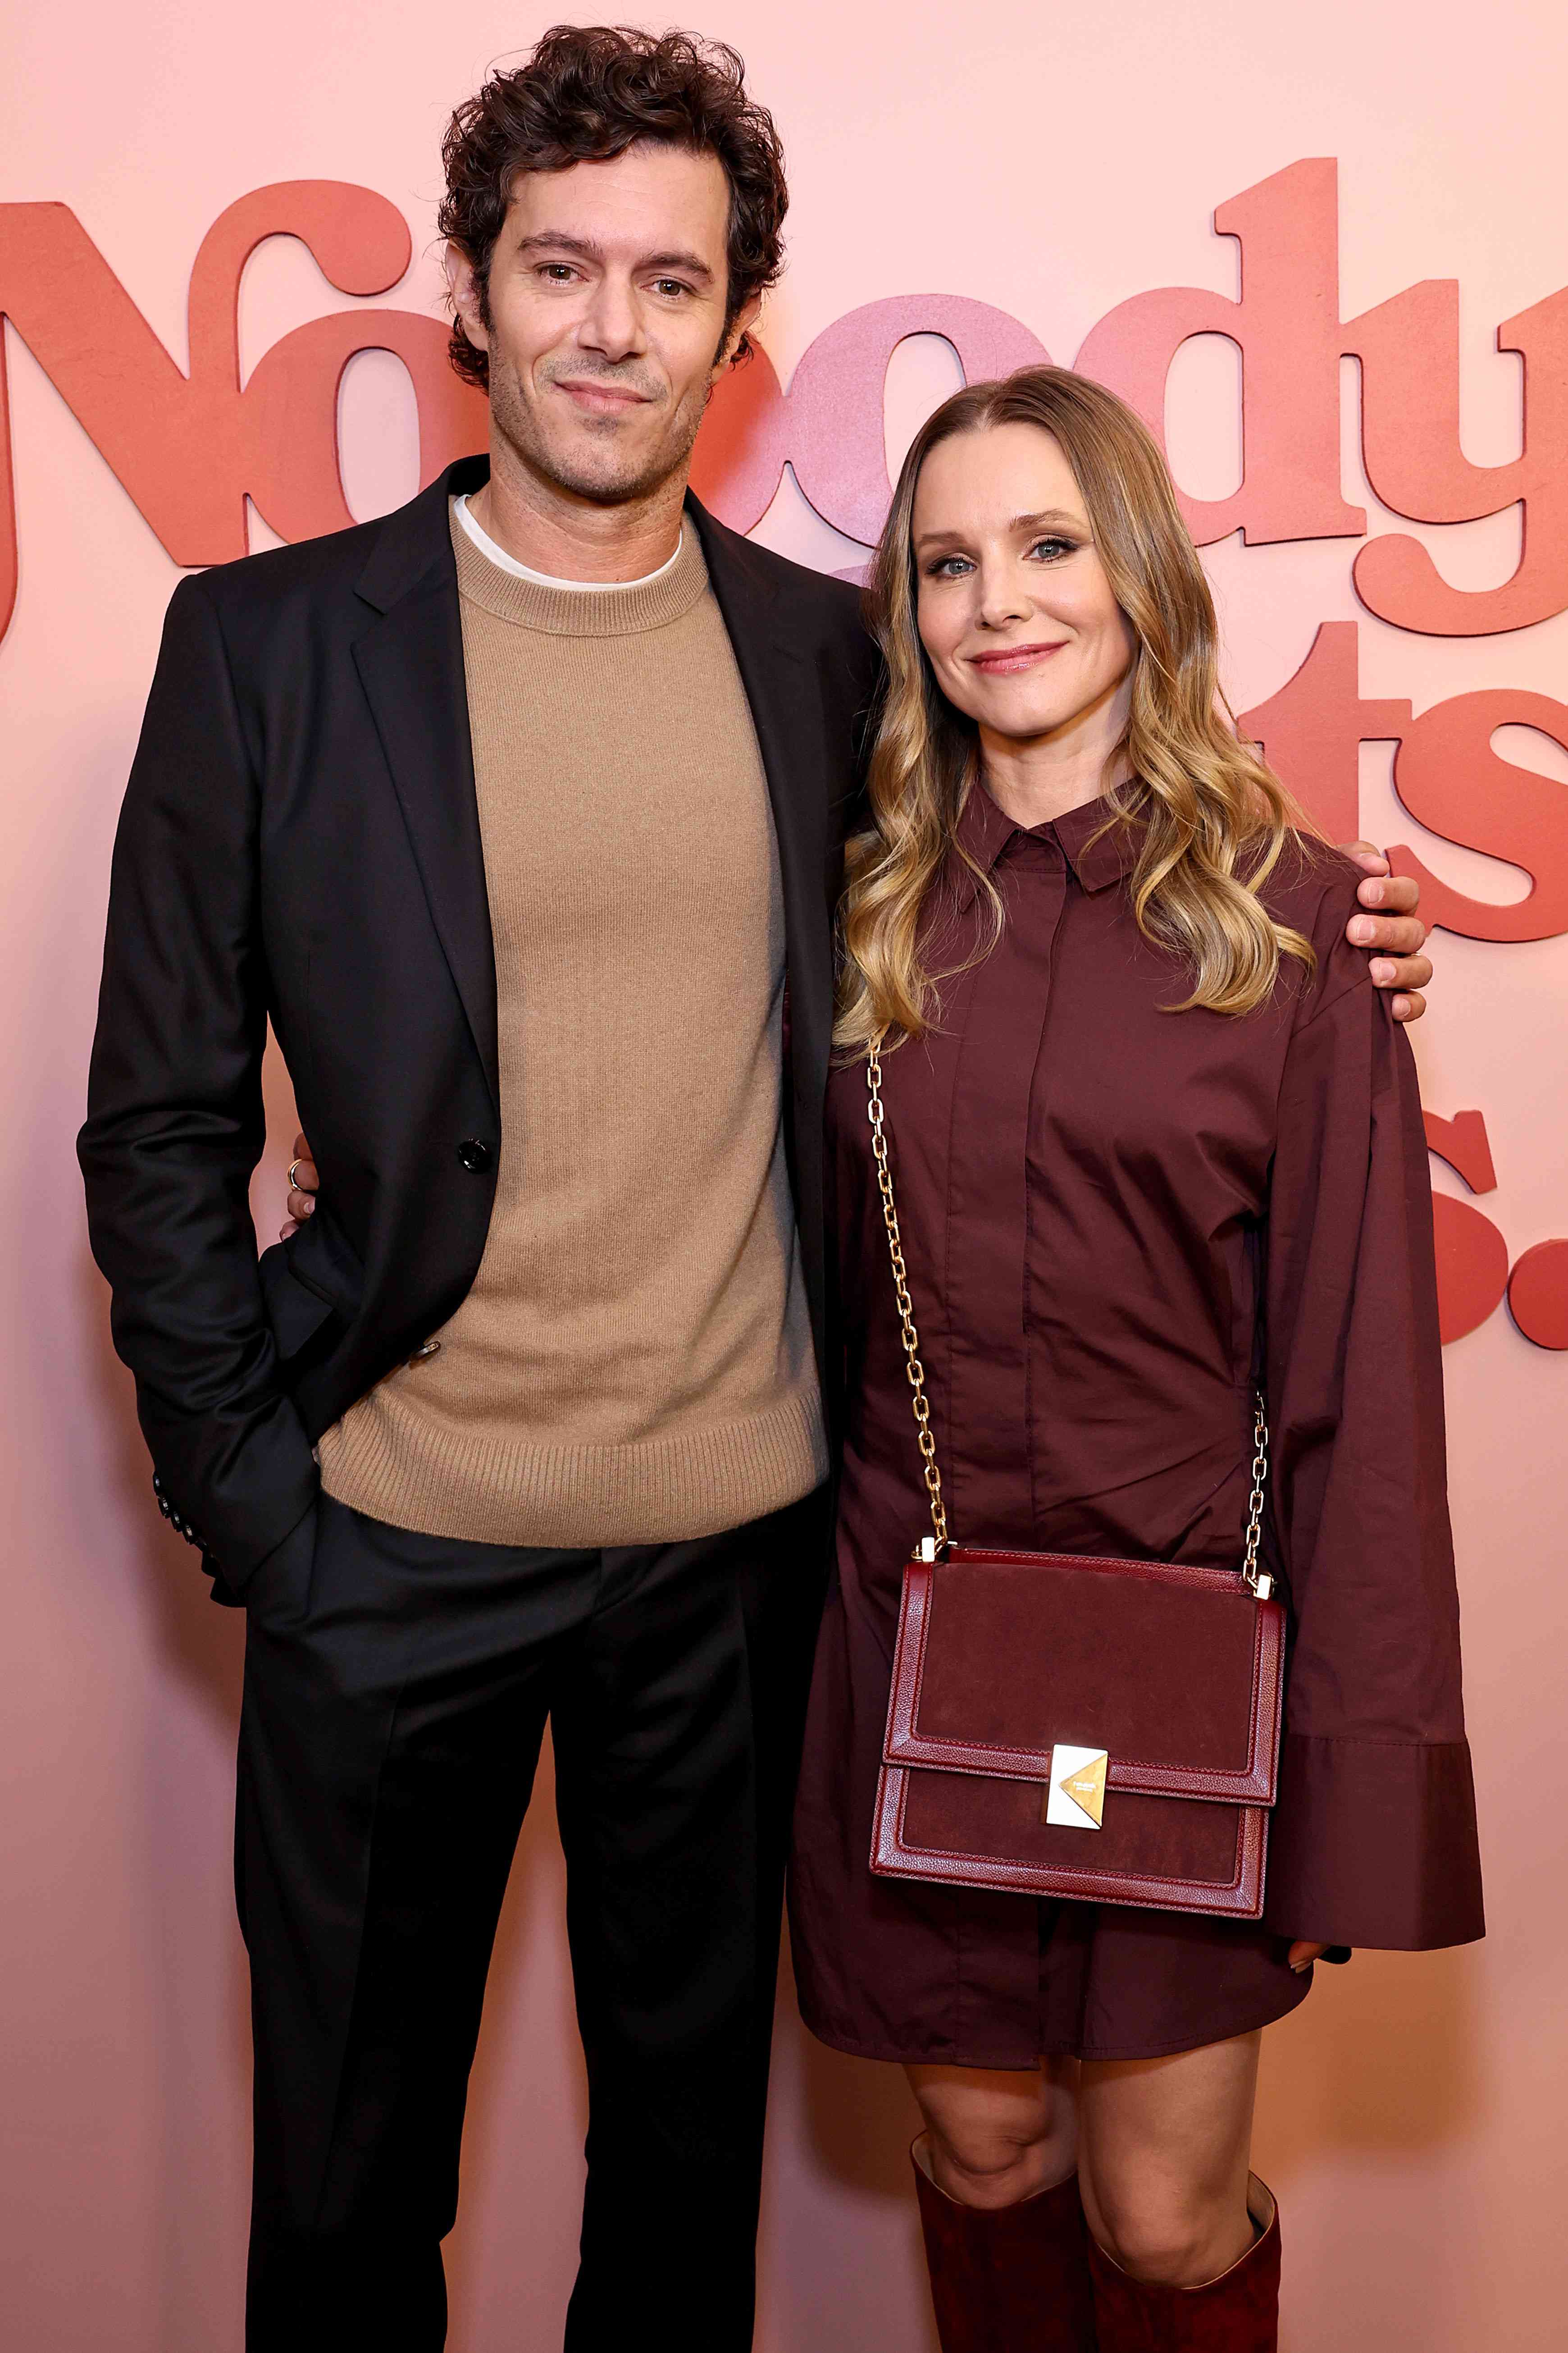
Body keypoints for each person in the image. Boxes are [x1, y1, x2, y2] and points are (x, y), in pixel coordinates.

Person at [78, 23, 1432, 2353]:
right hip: (387, 1543)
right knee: (340, 2192)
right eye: (562, 267)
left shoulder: (830, 667)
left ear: (735, 325)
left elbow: (1069, 858)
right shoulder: (269, 652)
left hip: (733, 1583)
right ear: (473, 298)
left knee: (681, 2195)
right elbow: (160, 1125)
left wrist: (1338, 912)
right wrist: (259, 1516)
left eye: (670, 278)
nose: (614, 323)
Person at [784, 367, 1484, 2352]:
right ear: (908, 614)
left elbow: (1360, 1403)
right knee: (987, 2151)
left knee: (1164, 2219)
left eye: (1048, 544)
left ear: (1142, 577)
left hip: (1182, 1701)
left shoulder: (1309, 934)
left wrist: (1345, 1789)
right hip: (902, 1654)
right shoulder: (851, 919)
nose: (998, 600)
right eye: (945, 561)